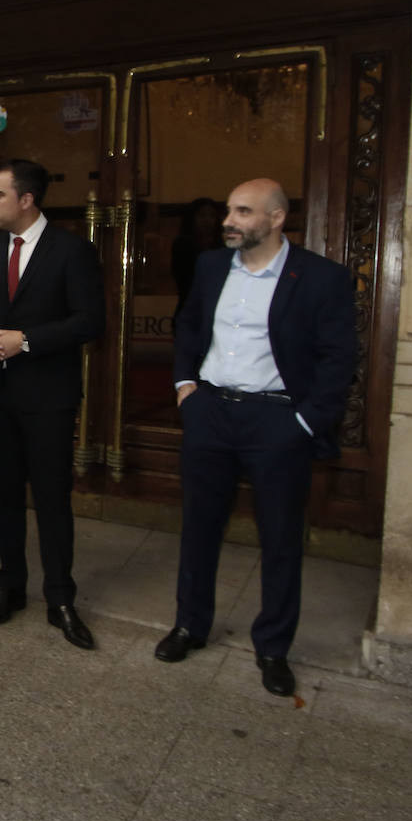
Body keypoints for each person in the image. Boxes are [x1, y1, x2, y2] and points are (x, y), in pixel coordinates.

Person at [155, 178, 355, 698]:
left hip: (278, 423)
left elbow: (339, 361)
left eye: (243, 212)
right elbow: (191, 325)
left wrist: (304, 424)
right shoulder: (211, 266)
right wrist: (185, 389)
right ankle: (190, 626)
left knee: (281, 538)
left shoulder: (319, 277)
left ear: (274, 219)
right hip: (211, 413)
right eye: (229, 210)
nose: (230, 220)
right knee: (199, 527)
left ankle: (272, 647)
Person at [0, 159, 105, 650]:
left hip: (49, 399)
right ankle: (11, 588)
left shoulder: (72, 250)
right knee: (1, 497)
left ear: (26, 200)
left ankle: (61, 598)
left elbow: (90, 320)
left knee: (50, 500)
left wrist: (26, 339)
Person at [171, 197, 224, 319]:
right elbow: (184, 280)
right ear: (192, 218)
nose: (207, 220)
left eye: (212, 216)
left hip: (217, 310)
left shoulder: (222, 246)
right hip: (191, 310)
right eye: (202, 215)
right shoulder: (182, 245)